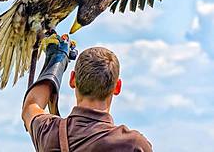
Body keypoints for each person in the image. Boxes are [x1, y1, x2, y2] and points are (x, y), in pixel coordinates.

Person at [22, 34, 152, 152]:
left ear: (73, 80)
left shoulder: (48, 132)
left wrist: (57, 62)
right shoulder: (133, 145)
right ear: (117, 87)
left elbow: (31, 106)